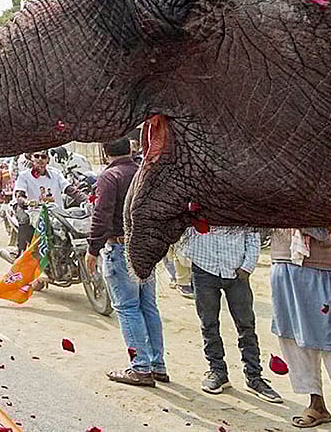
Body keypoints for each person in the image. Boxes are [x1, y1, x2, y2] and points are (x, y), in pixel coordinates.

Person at [84, 137, 166, 387]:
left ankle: (140, 367)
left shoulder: (110, 177)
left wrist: (93, 248)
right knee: (148, 306)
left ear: (104, 150)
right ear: (130, 148)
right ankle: (157, 364)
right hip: (145, 247)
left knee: (128, 307)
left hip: (119, 247)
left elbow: (102, 214)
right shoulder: (143, 173)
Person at [181, 225, 282, 402]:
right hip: (204, 267)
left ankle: (254, 377)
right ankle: (217, 371)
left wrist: (247, 266)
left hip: (237, 270)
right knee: (208, 323)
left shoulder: (237, 202)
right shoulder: (197, 199)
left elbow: (252, 234)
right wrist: (189, 252)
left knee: (246, 325)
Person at [270, 228, 331, 430]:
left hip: (320, 271)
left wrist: (290, 214)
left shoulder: (323, 197)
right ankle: (316, 404)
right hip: (282, 266)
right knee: (294, 340)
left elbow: (323, 229)